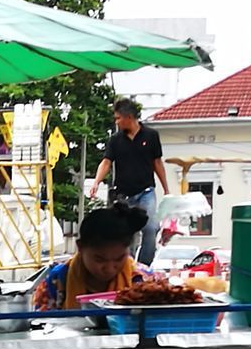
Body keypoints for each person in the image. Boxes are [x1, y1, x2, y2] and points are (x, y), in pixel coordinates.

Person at [88, 98, 170, 267]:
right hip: (123, 195)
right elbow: (106, 162)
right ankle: (127, 265)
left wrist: (166, 188)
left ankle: (144, 265)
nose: (116, 122)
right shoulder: (115, 140)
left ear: (129, 117)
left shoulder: (151, 136)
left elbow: (157, 163)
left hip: (146, 191)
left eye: (118, 118)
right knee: (125, 233)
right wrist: (96, 182)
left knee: (150, 227)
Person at [33, 203, 149, 311]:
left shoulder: (144, 282)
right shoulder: (56, 282)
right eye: (100, 259)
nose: (109, 268)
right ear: (80, 248)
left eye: (119, 259)